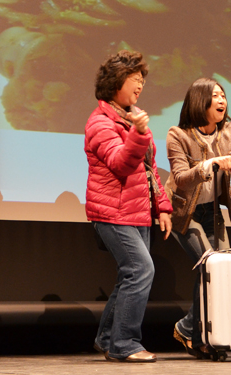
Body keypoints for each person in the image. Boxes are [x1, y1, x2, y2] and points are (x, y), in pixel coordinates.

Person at [165, 77, 231, 358]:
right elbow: (180, 179)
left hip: (212, 212)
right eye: (216, 95)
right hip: (185, 214)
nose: (222, 100)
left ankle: (192, 331)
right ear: (201, 101)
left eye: (223, 95)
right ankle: (198, 334)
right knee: (211, 268)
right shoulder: (178, 134)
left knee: (223, 272)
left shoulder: (229, 130)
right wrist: (210, 163)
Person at [84, 50, 173, 363]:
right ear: (115, 83)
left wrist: (162, 205)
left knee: (129, 275)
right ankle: (125, 344)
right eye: (134, 80)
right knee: (140, 269)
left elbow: (149, 168)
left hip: (137, 211)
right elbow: (121, 164)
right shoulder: (99, 123)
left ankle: (107, 337)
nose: (140, 86)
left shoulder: (130, 117)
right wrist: (138, 132)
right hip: (112, 212)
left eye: (141, 80)